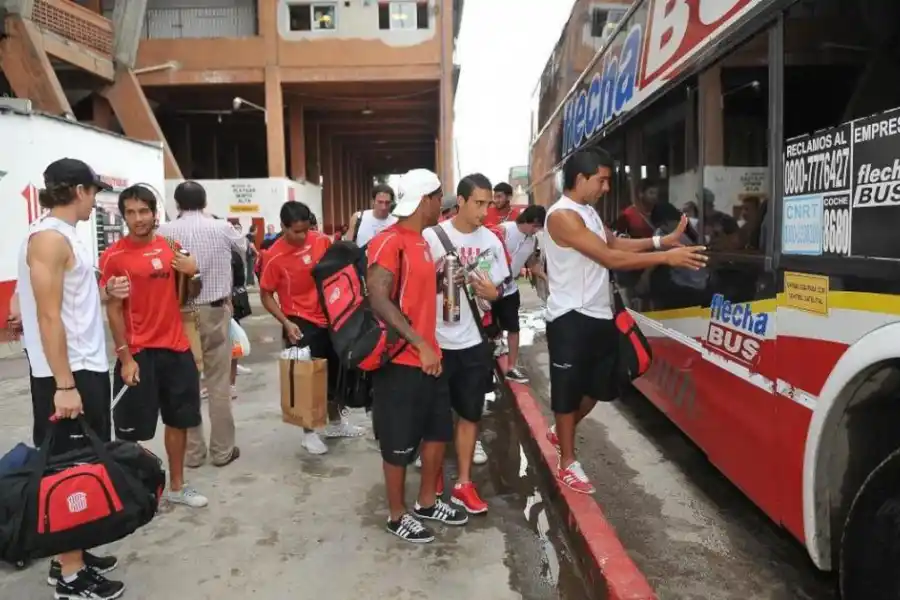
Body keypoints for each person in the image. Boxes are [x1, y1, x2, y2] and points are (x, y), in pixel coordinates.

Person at [543, 149, 708, 494]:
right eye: (601, 180)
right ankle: (567, 462)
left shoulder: (588, 213)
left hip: (601, 312)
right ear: (580, 179)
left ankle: (562, 430)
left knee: (602, 386)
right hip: (569, 317)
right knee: (568, 389)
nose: (606, 188)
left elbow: (615, 242)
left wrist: (661, 241)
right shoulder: (561, 216)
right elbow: (608, 256)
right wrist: (666, 258)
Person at [17, 158, 130, 599]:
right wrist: (64, 385)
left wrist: (106, 294)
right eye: (94, 193)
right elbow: (48, 316)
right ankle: (69, 577)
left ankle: (70, 551)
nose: (94, 201)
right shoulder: (47, 238)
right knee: (70, 469)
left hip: (84, 364)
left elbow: (69, 301)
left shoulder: (66, 237)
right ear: (80, 190)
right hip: (66, 373)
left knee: (85, 460)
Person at [366, 168, 468, 543]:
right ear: (425, 200)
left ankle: (427, 502)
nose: (441, 204)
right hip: (401, 361)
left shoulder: (423, 241)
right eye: (438, 198)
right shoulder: (389, 241)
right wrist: (419, 343)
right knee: (397, 442)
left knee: (437, 433)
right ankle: (397, 514)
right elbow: (377, 296)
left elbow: (415, 292)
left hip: (430, 356)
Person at [100, 184, 208, 509]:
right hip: (138, 354)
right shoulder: (113, 257)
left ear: (154, 212)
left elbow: (190, 293)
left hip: (176, 349)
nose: (138, 219)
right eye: (130, 213)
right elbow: (113, 309)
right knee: (131, 431)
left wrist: (195, 271)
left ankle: (177, 486)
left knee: (179, 421)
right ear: (123, 216)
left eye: (143, 211)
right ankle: (134, 493)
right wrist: (125, 357)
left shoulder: (171, 247)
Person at [422, 173, 510, 515]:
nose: (485, 210)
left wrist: (495, 293)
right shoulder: (432, 237)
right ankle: (434, 478)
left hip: (473, 339)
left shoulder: (491, 240)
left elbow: (501, 287)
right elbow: (412, 287)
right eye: (478, 203)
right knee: (435, 415)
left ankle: (463, 482)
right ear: (459, 201)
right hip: (436, 340)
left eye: (488, 203)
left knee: (470, 414)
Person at [259, 200, 365, 455]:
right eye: (296, 231)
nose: (303, 236)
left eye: (306, 229)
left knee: (336, 374)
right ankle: (309, 433)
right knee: (307, 379)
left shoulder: (321, 241)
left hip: (331, 316)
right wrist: (285, 322)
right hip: (300, 322)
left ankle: (336, 423)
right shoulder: (273, 256)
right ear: (283, 227)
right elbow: (265, 295)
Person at [158, 181, 245, 468]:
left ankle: (193, 454)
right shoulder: (221, 228)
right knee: (218, 383)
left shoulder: (163, 232)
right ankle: (222, 451)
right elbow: (245, 248)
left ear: (177, 204)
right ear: (205, 202)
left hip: (178, 314)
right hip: (214, 310)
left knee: (187, 384)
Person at [491, 204, 547, 383]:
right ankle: (488, 364)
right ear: (531, 222)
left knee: (514, 328)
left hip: (510, 288)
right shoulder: (503, 231)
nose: (537, 230)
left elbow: (531, 264)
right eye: (536, 226)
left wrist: (545, 278)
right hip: (490, 288)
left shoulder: (533, 241)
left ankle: (511, 367)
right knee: (489, 328)